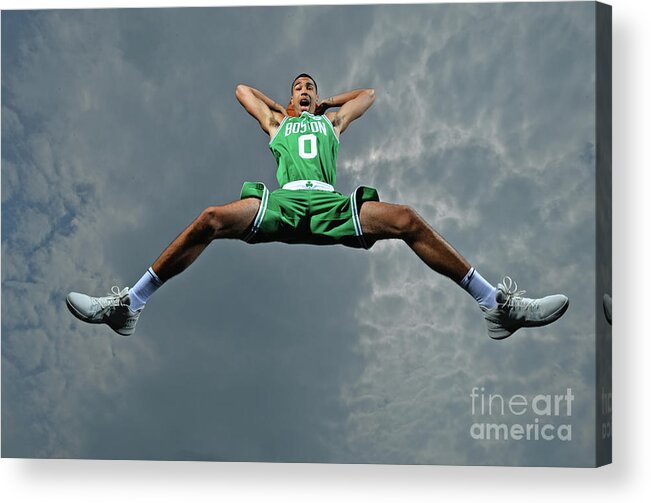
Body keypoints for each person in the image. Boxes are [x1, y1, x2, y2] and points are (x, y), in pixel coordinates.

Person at [66, 73, 569, 339]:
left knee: (407, 219)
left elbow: (368, 94)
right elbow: (242, 90)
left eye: (309, 88)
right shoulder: (277, 123)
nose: (305, 92)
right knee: (211, 219)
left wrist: (328, 102)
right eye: (298, 88)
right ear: (288, 99)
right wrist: (281, 105)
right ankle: (128, 305)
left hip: (330, 206)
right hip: (282, 204)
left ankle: (497, 307)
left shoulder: (331, 124)